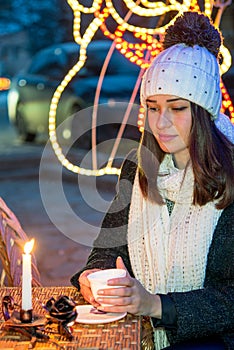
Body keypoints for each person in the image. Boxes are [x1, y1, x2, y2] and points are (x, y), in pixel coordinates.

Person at [71, 11, 234, 350]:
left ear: (204, 111)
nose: (161, 124)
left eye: (176, 108)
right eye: (153, 107)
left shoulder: (230, 176)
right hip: (140, 337)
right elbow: (106, 251)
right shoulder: (138, 168)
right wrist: (92, 278)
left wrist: (155, 305)